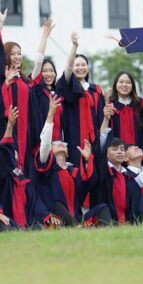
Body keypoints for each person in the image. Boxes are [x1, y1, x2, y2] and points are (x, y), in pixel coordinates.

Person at [33, 94, 94, 226]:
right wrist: (50, 115)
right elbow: (44, 144)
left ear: (67, 153)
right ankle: (74, 226)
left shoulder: (74, 171)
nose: (61, 144)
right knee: (57, 203)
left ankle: (104, 226)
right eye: (56, 143)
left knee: (102, 207)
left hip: (76, 215)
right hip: (56, 215)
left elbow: (85, 187)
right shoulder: (47, 167)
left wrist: (87, 160)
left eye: (64, 144)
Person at [0, 106, 55, 229]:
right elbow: (4, 154)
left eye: (13, 151)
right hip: (9, 220)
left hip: (27, 221)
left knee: (38, 228)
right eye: (8, 151)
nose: (11, 153)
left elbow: (35, 202)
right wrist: (9, 126)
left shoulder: (22, 177)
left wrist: (46, 216)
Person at [0, 5, 33, 172]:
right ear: (6, 56)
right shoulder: (0, 77)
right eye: (13, 53)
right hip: (6, 130)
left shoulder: (26, 81)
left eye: (19, 53)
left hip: (25, 133)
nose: (17, 57)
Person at [57, 31, 105, 166]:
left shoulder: (96, 90)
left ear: (88, 68)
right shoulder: (69, 87)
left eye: (83, 65)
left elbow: (102, 118)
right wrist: (74, 47)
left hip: (94, 139)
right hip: (74, 138)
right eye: (77, 65)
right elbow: (67, 68)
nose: (80, 68)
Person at [86, 134, 143, 226]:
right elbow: (99, 153)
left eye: (122, 149)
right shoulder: (102, 172)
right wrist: (106, 122)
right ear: (105, 154)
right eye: (114, 149)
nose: (119, 152)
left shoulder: (128, 177)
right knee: (104, 208)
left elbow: (139, 198)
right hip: (104, 218)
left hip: (125, 221)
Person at [26, 18, 58, 156]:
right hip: (40, 145)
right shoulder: (37, 91)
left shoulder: (58, 94)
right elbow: (38, 62)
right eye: (45, 71)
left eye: (51, 70)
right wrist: (45, 37)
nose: (48, 74)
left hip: (59, 145)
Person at [107, 71, 143, 153]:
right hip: (115, 154)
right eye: (121, 82)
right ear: (115, 84)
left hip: (137, 153)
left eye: (128, 82)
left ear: (132, 86)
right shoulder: (109, 105)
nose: (124, 85)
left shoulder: (140, 104)